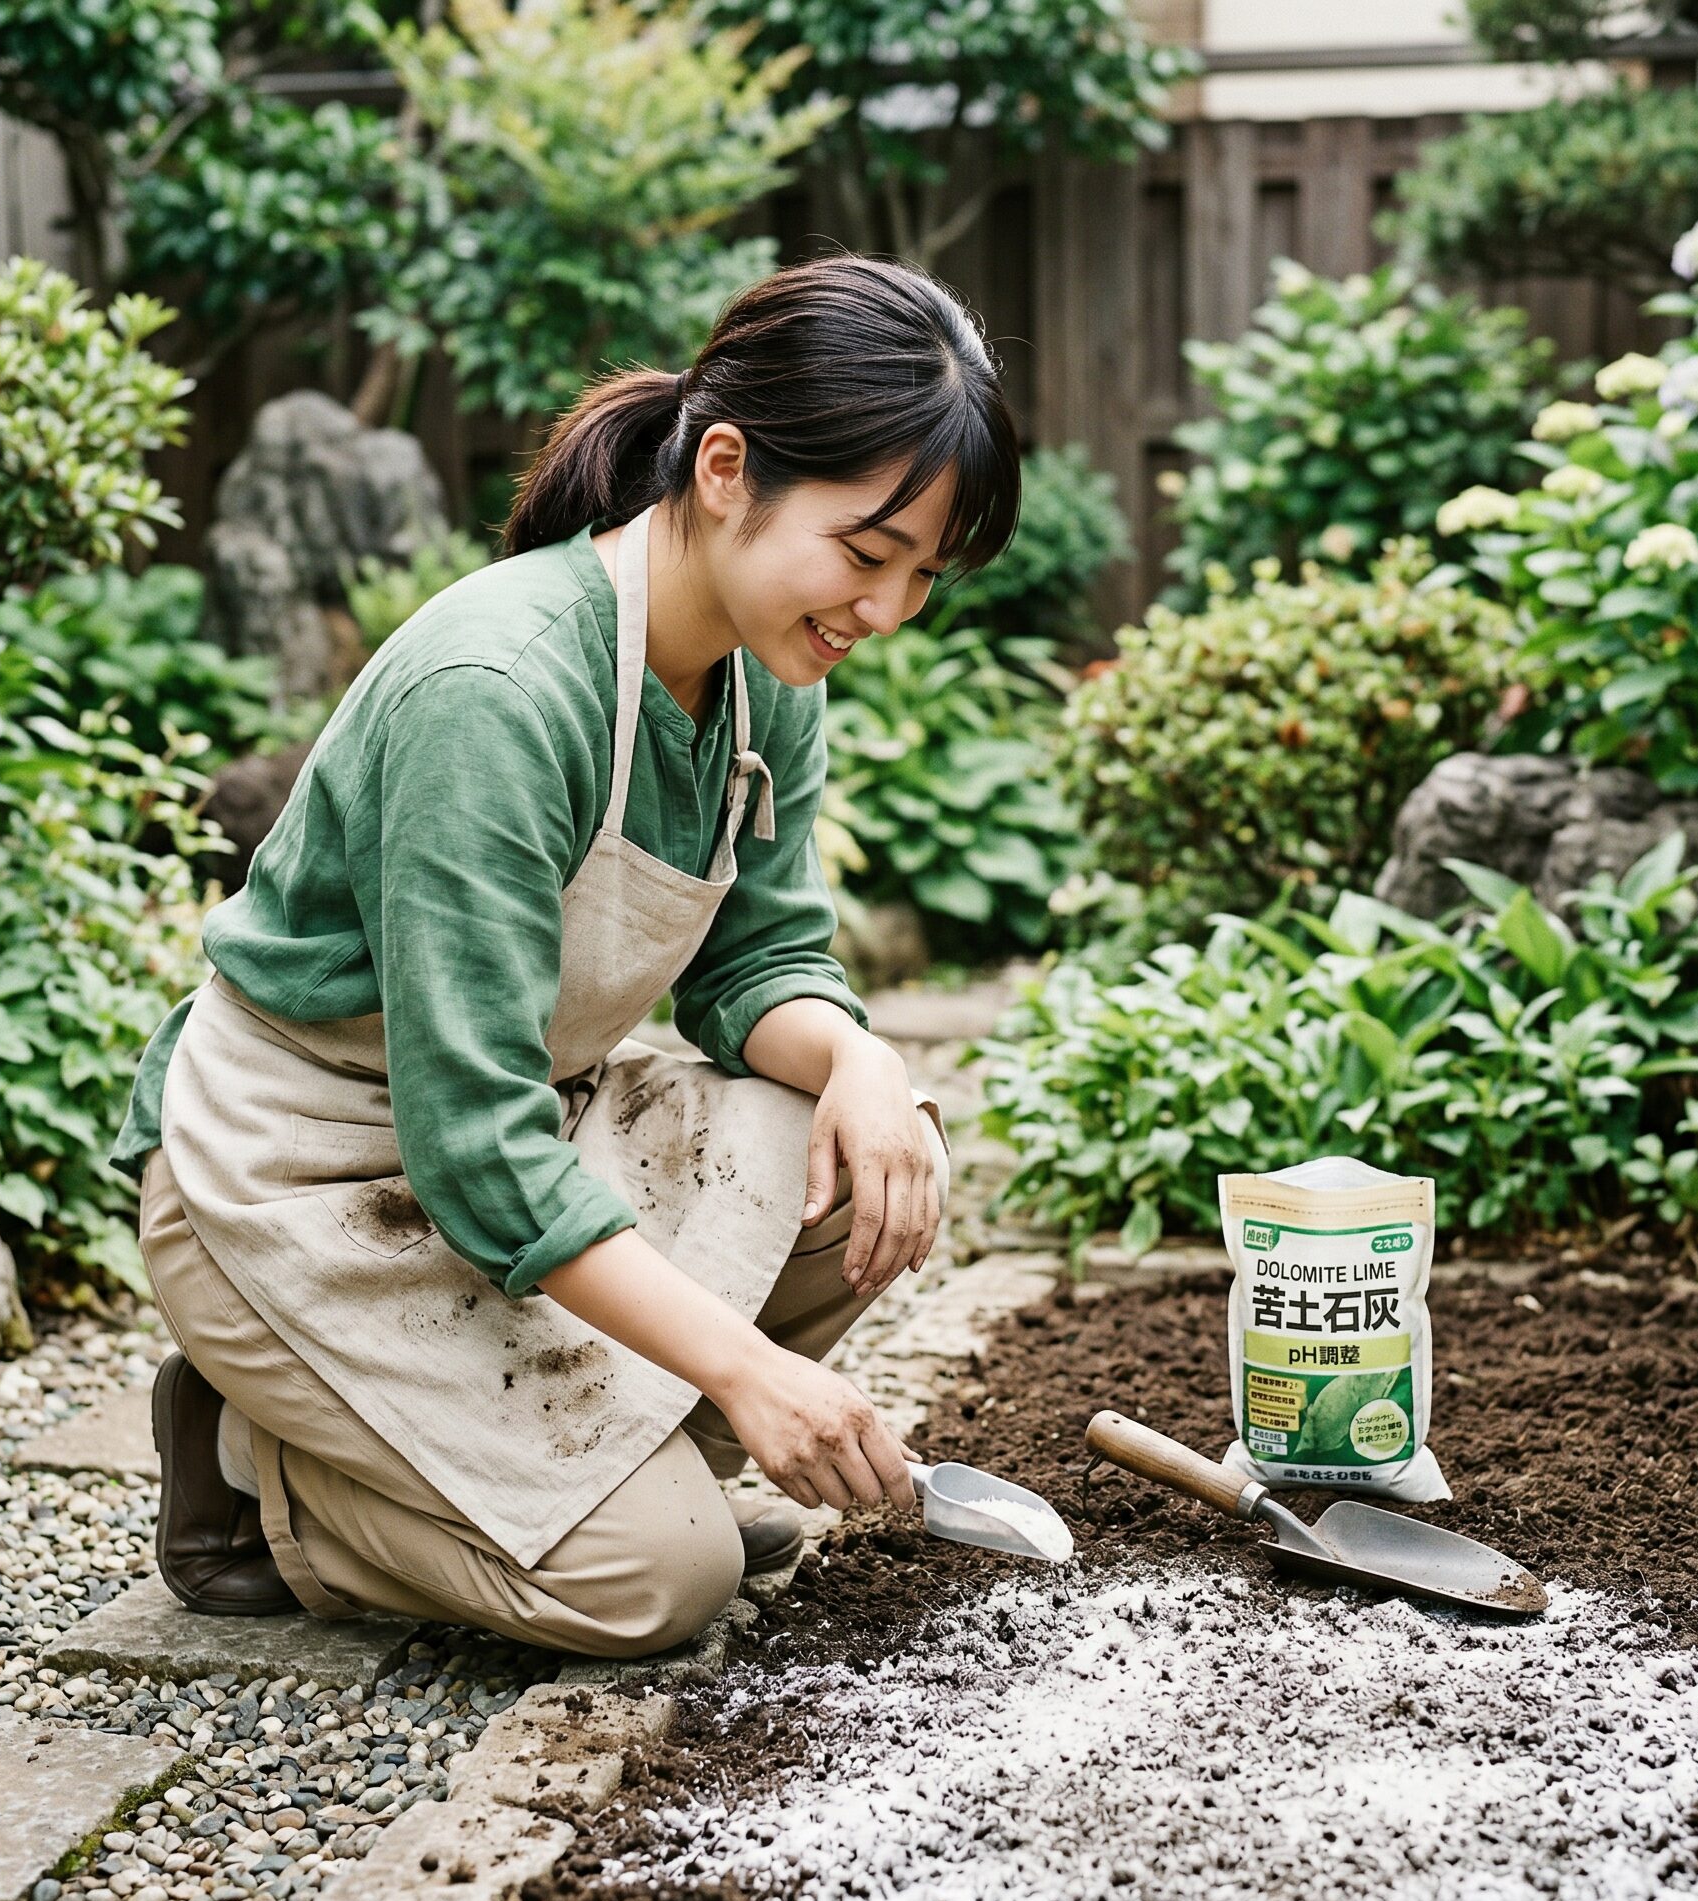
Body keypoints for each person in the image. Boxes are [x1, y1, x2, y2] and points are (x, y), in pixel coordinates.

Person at [109, 253, 1023, 1658]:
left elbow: (753, 967)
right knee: (656, 1586)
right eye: (865, 552)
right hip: (296, 1178)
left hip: (505, 1149)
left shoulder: (764, 676)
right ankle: (261, 1472)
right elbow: (471, 1143)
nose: (886, 611)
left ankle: (578, 1480)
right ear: (725, 468)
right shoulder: (498, 692)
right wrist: (748, 1370)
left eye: (919, 577)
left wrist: (856, 1054)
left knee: (869, 1153)